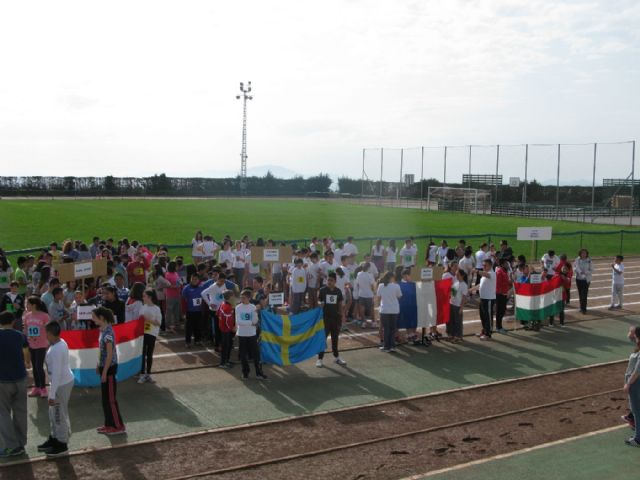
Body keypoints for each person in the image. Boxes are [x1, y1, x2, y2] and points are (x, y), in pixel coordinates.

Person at [38, 321, 74, 457]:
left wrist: (52, 395)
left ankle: (62, 444)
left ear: (49, 333)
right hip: (59, 384)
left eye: (45, 332)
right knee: (53, 413)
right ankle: (54, 438)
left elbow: (57, 373)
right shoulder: (59, 343)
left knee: (59, 414)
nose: (44, 335)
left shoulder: (57, 349)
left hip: (60, 384)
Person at [0, 311, 30, 458]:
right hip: (20, 378)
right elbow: (26, 352)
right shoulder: (20, 335)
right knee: (21, 412)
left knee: (3, 413)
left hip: (3, 380)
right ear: (12, 322)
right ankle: (21, 443)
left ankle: (11, 446)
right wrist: (27, 363)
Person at [93, 306, 126, 435]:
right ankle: (108, 424)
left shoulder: (108, 333)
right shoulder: (102, 331)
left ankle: (118, 426)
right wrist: (98, 365)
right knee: (105, 399)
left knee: (111, 400)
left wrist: (105, 371)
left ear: (101, 318)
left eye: (94, 317)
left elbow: (110, 354)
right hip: (105, 368)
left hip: (109, 369)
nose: (93, 319)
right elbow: (102, 352)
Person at [316, 273, 346, 367]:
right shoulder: (322, 290)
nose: (329, 282)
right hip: (325, 319)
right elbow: (318, 301)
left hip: (335, 319)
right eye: (328, 280)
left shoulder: (338, 291)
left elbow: (340, 305)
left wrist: (342, 317)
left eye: (331, 280)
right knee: (323, 339)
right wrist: (319, 303)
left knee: (335, 339)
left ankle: (336, 357)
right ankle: (320, 359)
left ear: (335, 281)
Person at [235, 290, 267, 379]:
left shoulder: (253, 307)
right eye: (241, 297)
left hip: (252, 334)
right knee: (243, 355)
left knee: (256, 354)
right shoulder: (238, 307)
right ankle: (245, 373)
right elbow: (239, 321)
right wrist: (251, 323)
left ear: (249, 298)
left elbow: (255, 321)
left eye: (244, 298)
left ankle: (259, 373)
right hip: (242, 334)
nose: (242, 299)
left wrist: (254, 314)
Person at [23, 296, 50, 397]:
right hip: (31, 345)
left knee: (39, 366)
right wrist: (27, 336)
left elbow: (49, 330)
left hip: (41, 344)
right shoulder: (27, 316)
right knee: (34, 367)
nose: (26, 305)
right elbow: (26, 328)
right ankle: (37, 387)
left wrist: (48, 341)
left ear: (34, 305)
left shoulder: (45, 316)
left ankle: (43, 388)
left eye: (28, 304)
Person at [138, 289, 162, 384]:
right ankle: (142, 374)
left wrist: (148, 320)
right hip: (143, 333)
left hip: (152, 333)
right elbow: (139, 320)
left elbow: (159, 323)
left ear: (150, 297)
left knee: (149, 354)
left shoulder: (156, 309)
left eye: (144, 296)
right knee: (142, 353)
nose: (143, 298)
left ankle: (148, 373)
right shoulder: (142, 307)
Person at [376, 272, 402, 353]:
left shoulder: (381, 286)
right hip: (394, 310)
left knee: (386, 328)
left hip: (385, 310)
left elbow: (378, 298)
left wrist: (379, 306)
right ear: (391, 277)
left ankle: (386, 346)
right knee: (393, 328)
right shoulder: (396, 286)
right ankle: (392, 346)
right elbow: (399, 297)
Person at [623, 325, 640, 447]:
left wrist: (628, 384)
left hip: (636, 383)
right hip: (636, 382)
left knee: (637, 411)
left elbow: (637, 371)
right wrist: (633, 329)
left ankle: (638, 439)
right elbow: (629, 337)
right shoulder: (638, 346)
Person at [472, 258, 496, 340]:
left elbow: (486, 275)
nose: (483, 267)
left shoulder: (492, 274)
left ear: (490, 265)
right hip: (482, 298)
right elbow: (480, 285)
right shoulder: (484, 275)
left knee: (488, 317)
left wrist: (476, 271)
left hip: (489, 299)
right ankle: (484, 330)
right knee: (483, 316)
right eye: (483, 265)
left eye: (485, 265)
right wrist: (470, 290)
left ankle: (488, 334)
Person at [182, 274, 207, 348]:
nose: (194, 281)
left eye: (196, 279)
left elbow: (204, 299)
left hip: (199, 311)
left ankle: (197, 341)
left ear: (198, 280)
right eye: (193, 279)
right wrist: (183, 312)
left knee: (198, 327)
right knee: (189, 327)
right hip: (189, 311)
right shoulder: (186, 288)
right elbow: (183, 301)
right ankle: (188, 342)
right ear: (190, 279)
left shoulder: (201, 288)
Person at [216, 291, 236, 368]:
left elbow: (218, 313)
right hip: (226, 330)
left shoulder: (222, 304)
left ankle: (226, 361)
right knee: (225, 346)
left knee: (227, 345)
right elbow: (228, 321)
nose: (234, 298)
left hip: (223, 328)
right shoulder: (228, 307)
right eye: (233, 296)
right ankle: (223, 363)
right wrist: (231, 328)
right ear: (230, 297)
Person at [449, 270, 469, 343]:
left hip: (458, 305)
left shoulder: (464, 285)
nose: (456, 276)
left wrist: (461, 308)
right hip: (452, 304)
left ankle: (458, 337)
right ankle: (453, 335)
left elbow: (464, 298)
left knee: (458, 322)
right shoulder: (456, 282)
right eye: (456, 274)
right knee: (453, 321)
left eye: (458, 275)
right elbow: (453, 293)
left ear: (462, 276)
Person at [495, 258, 511, 334]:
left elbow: (506, 282)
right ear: (502, 264)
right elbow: (498, 284)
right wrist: (502, 293)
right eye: (506, 264)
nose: (507, 265)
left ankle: (499, 326)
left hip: (504, 294)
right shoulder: (499, 272)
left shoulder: (505, 271)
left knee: (502, 311)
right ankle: (498, 327)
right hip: (500, 294)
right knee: (499, 311)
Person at [574, 248, 593, 314]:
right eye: (582, 253)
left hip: (586, 280)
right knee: (580, 294)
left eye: (585, 253)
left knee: (584, 294)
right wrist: (578, 271)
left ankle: (584, 309)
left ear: (587, 254)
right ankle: (581, 307)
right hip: (578, 279)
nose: (583, 254)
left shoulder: (589, 260)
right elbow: (574, 267)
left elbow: (592, 270)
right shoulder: (577, 259)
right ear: (580, 253)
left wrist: (585, 272)